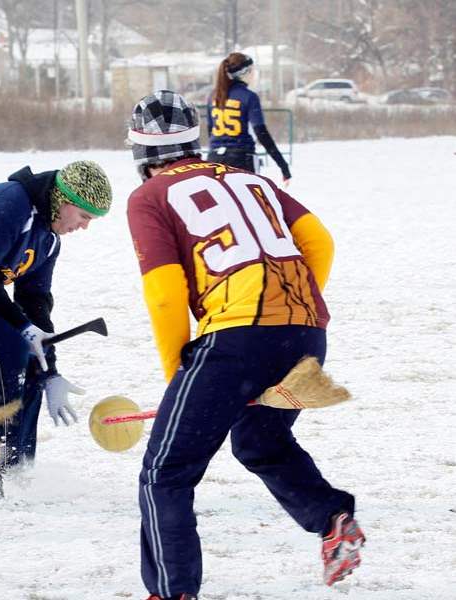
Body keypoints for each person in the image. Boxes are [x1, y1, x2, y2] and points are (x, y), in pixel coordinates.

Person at [124, 90, 364, 600]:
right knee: (260, 440)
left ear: (139, 154)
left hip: (235, 337)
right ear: (196, 140)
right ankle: (333, 520)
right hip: (306, 331)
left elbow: (166, 296)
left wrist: (177, 377)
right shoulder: (251, 177)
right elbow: (320, 241)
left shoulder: (148, 197)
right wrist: (294, 309)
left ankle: (171, 592)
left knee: (165, 472)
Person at [0, 159, 112, 501]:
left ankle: (17, 471)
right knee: (7, 357)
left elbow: (35, 302)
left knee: (33, 361)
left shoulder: (49, 240)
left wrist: (50, 368)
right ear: (64, 201)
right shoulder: (9, 203)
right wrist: (23, 329)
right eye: (84, 217)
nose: (84, 227)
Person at [207, 52, 291, 185]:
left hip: (214, 159)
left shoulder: (213, 96)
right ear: (245, 72)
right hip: (241, 158)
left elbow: (210, 131)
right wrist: (283, 166)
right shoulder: (249, 96)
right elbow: (261, 133)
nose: (254, 75)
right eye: (252, 70)